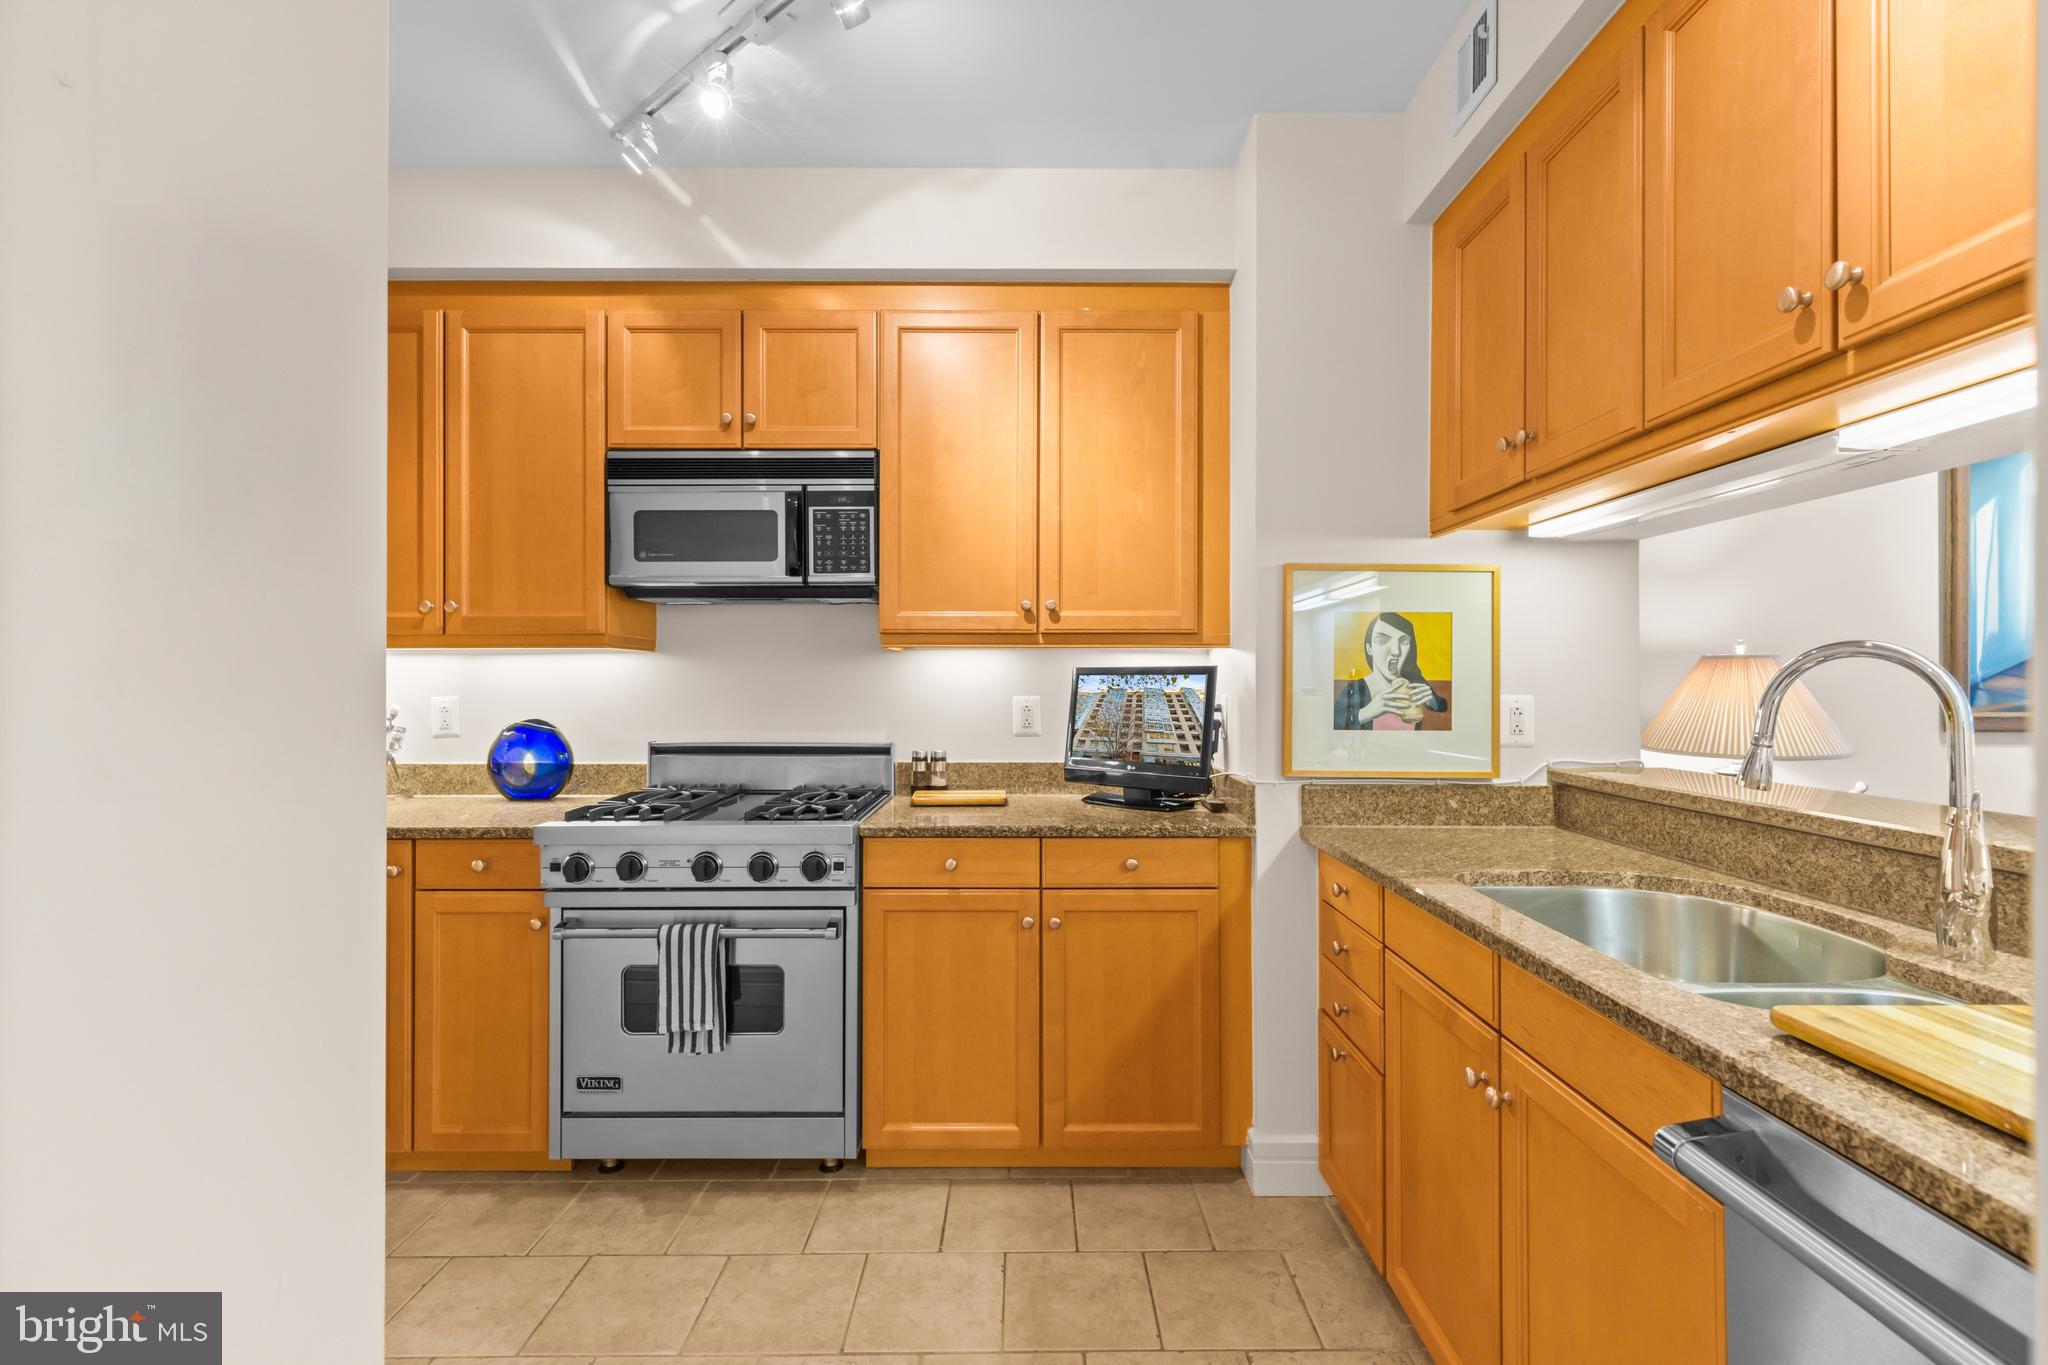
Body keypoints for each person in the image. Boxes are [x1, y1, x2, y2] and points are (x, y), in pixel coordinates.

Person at [1334, 611, 1448, 730]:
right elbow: (1334, 723)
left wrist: (1432, 700)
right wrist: (1364, 713)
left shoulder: (1414, 683)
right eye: (1382, 641)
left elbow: (1443, 707)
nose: (1396, 651)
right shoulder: (1358, 688)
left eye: (1404, 642)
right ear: (1369, 649)